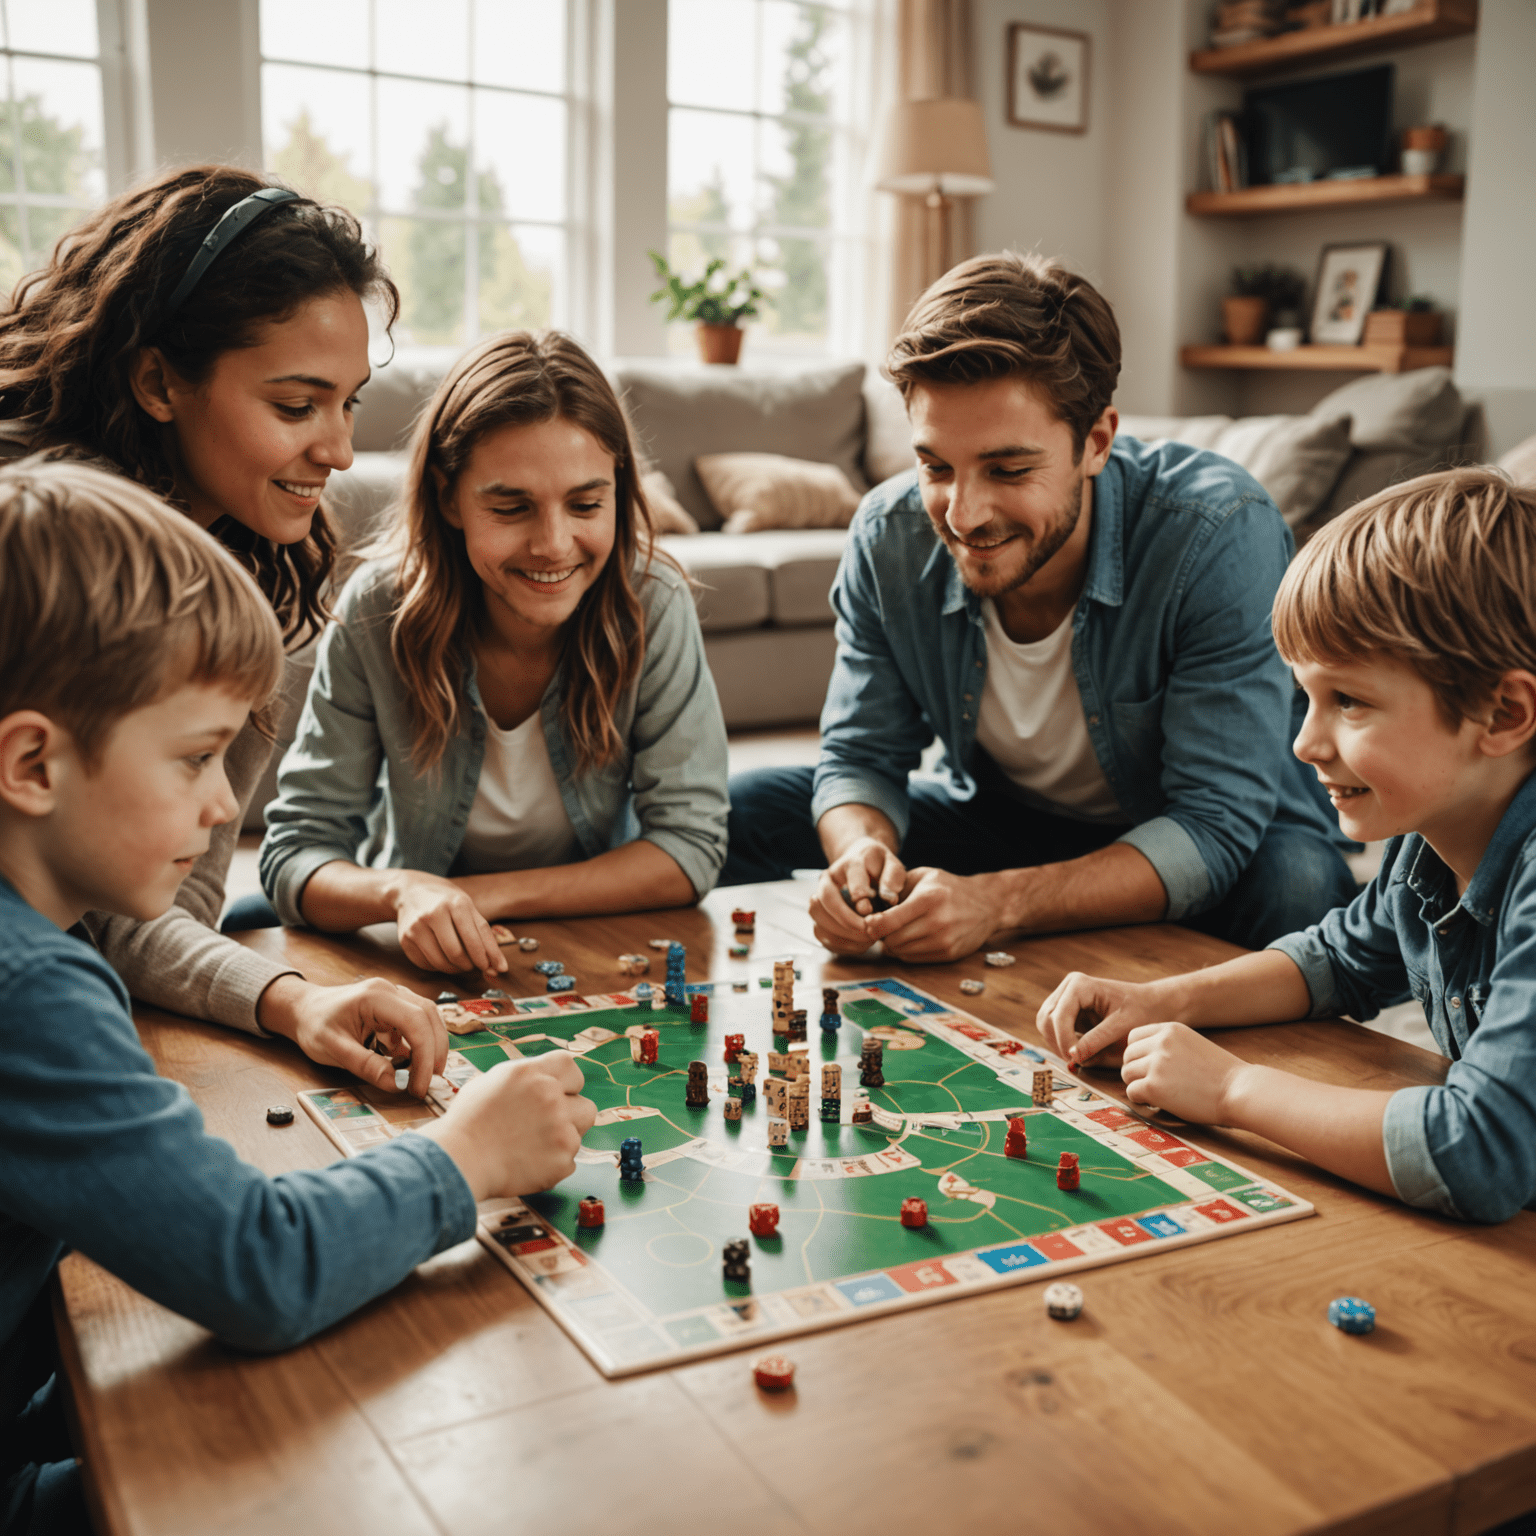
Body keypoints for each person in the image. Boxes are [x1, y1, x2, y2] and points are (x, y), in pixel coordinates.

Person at [0, 462, 595, 1536]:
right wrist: (469, 1157)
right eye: (195, 758)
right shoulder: (30, 989)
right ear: (33, 763)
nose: (227, 803)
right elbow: (259, 1264)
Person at [722, 252, 1356, 961]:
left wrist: (998, 905)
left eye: (1008, 469)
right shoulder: (887, 535)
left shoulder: (1217, 532)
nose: (962, 514)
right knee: (743, 808)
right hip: (1008, 821)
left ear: (1096, 441)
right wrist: (861, 855)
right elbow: (861, 755)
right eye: (935, 466)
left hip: (1203, 830)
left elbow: (1213, 824)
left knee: (1300, 890)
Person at [0, 164, 450, 1093]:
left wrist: (291, 998)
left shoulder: (260, 579)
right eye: (295, 406)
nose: (337, 450)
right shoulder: (36, 560)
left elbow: (166, 907)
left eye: (348, 400)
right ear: (159, 381)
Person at [1037, 468, 1536, 1223]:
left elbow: (1475, 1150)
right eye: (1307, 697)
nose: (1303, 742)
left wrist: (1233, 1089)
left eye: (1350, 702)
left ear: (1502, 713)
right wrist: (1158, 1002)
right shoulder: (1432, 836)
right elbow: (1336, 960)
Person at [258, 330, 729, 974]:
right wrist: (402, 890)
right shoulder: (377, 608)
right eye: (511, 507)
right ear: (450, 497)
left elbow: (689, 849)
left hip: (588, 946)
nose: (554, 544)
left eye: (587, 503)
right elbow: (296, 854)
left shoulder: (654, 602)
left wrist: (469, 899)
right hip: (418, 960)